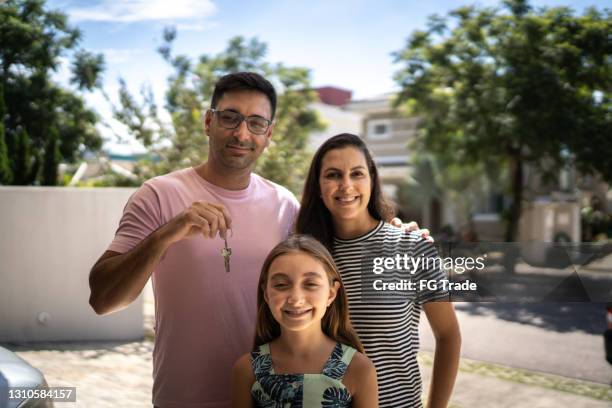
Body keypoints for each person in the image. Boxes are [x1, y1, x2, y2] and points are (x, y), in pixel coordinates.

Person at [89, 72, 426, 407]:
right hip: (184, 399)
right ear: (208, 121)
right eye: (230, 118)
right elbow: (103, 300)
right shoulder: (158, 196)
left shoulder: (284, 206)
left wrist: (393, 232)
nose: (241, 133)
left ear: (269, 134)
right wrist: (166, 235)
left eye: (255, 123)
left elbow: (329, 259)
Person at [295, 133, 461, 408]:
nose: (346, 185)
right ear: (318, 185)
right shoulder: (306, 255)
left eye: (356, 173)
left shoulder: (411, 247)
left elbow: (449, 335)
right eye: (333, 175)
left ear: (371, 179)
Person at [231, 235, 378, 407]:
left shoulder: (359, 369)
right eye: (280, 285)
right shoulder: (246, 370)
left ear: (331, 294)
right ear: (266, 294)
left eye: (310, 284)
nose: (296, 299)